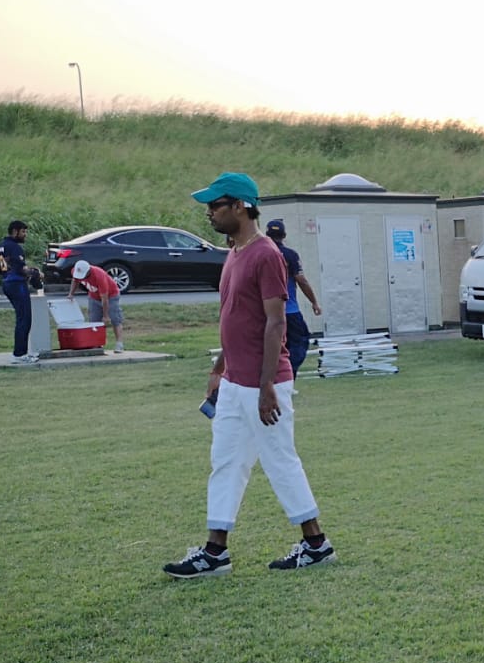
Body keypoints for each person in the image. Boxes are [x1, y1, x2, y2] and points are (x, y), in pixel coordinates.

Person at [163, 172, 336, 578]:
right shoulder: (235, 252)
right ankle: (215, 553)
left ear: (240, 206)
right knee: (226, 462)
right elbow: (236, 318)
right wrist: (219, 369)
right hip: (234, 382)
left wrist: (265, 387)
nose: (209, 213)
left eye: (215, 205)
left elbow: (275, 323)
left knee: (279, 460)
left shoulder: (265, 255)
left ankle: (316, 545)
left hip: (264, 383)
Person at [264, 218, 322, 379]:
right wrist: (314, 302)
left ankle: (276, 378)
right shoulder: (290, 255)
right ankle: (286, 376)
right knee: (299, 342)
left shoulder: (260, 255)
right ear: (284, 235)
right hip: (289, 311)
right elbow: (301, 280)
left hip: (266, 313)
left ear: (267, 235)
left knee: (273, 346)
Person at [0, 219, 40, 363]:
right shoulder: (15, 247)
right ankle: (20, 354)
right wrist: (36, 273)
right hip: (17, 284)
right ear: (15, 231)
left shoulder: (0, 246)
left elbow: (3, 268)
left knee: (21, 317)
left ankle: (21, 353)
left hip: (6, 283)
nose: (25, 234)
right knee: (24, 318)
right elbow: (22, 269)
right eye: (23, 231)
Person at [68, 259, 126, 352]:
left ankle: (119, 343)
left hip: (110, 295)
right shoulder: (76, 271)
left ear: (88, 271)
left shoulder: (99, 275)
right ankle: (97, 344)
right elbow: (75, 280)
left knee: (115, 318)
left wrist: (105, 316)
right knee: (94, 321)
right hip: (93, 296)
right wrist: (71, 294)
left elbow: (104, 298)